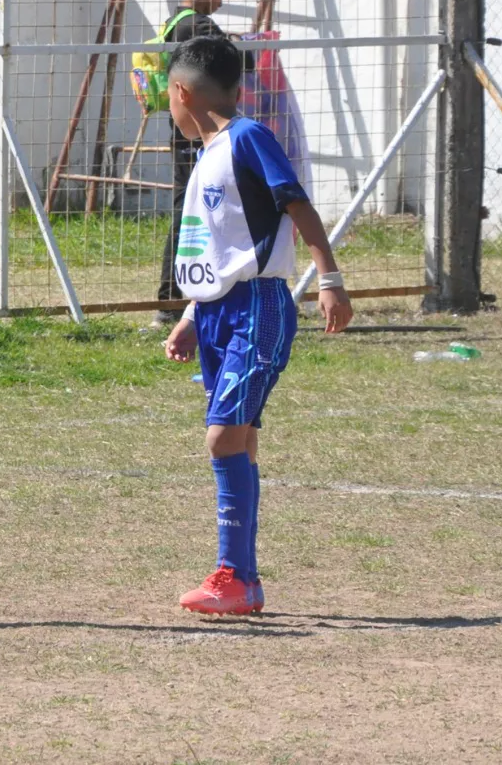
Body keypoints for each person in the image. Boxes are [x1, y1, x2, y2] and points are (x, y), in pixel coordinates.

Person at [161, 36, 352, 616]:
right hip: (219, 310)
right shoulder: (210, 154)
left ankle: (235, 575)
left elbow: (298, 206)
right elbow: (227, 248)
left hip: (259, 308)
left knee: (223, 436)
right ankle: (241, 581)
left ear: (181, 92)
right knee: (237, 437)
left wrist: (331, 279)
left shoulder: (248, 139)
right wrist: (194, 313)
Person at [155, 0, 256, 325]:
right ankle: (172, 300)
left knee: (189, 208)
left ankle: (179, 296)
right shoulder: (199, 27)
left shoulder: (174, 24)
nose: (221, 1)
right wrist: (243, 46)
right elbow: (239, 65)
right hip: (201, 133)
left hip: (186, 129)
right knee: (191, 212)